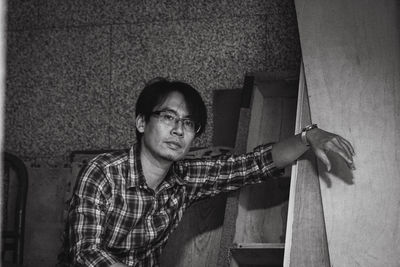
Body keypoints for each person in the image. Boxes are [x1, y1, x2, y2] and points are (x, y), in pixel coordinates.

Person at [64, 78, 355, 267]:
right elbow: (85, 254)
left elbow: (252, 165)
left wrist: (307, 137)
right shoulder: (102, 172)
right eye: (168, 117)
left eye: (189, 124)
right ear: (141, 122)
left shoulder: (185, 179)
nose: (178, 129)